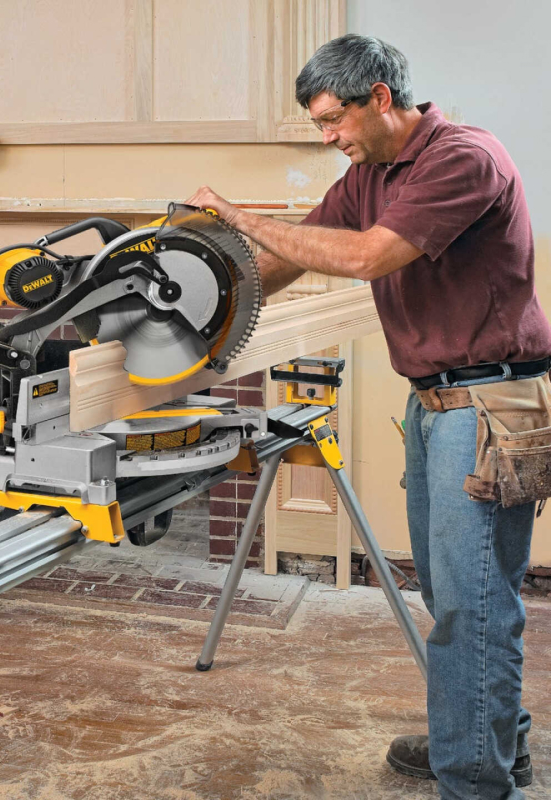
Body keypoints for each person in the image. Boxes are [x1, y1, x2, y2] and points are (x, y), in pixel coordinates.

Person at [186, 33, 551, 800]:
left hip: (487, 405)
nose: (329, 139)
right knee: (459, 596)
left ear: (379, 97)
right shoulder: (370, 172)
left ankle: (474, 782)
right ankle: (487, 743)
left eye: (331, 121)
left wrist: (237, 213)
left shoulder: (462, 157)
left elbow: (365, 258)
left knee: (470, 603)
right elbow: (292, 259)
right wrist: (200, 293)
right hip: (437, 404)